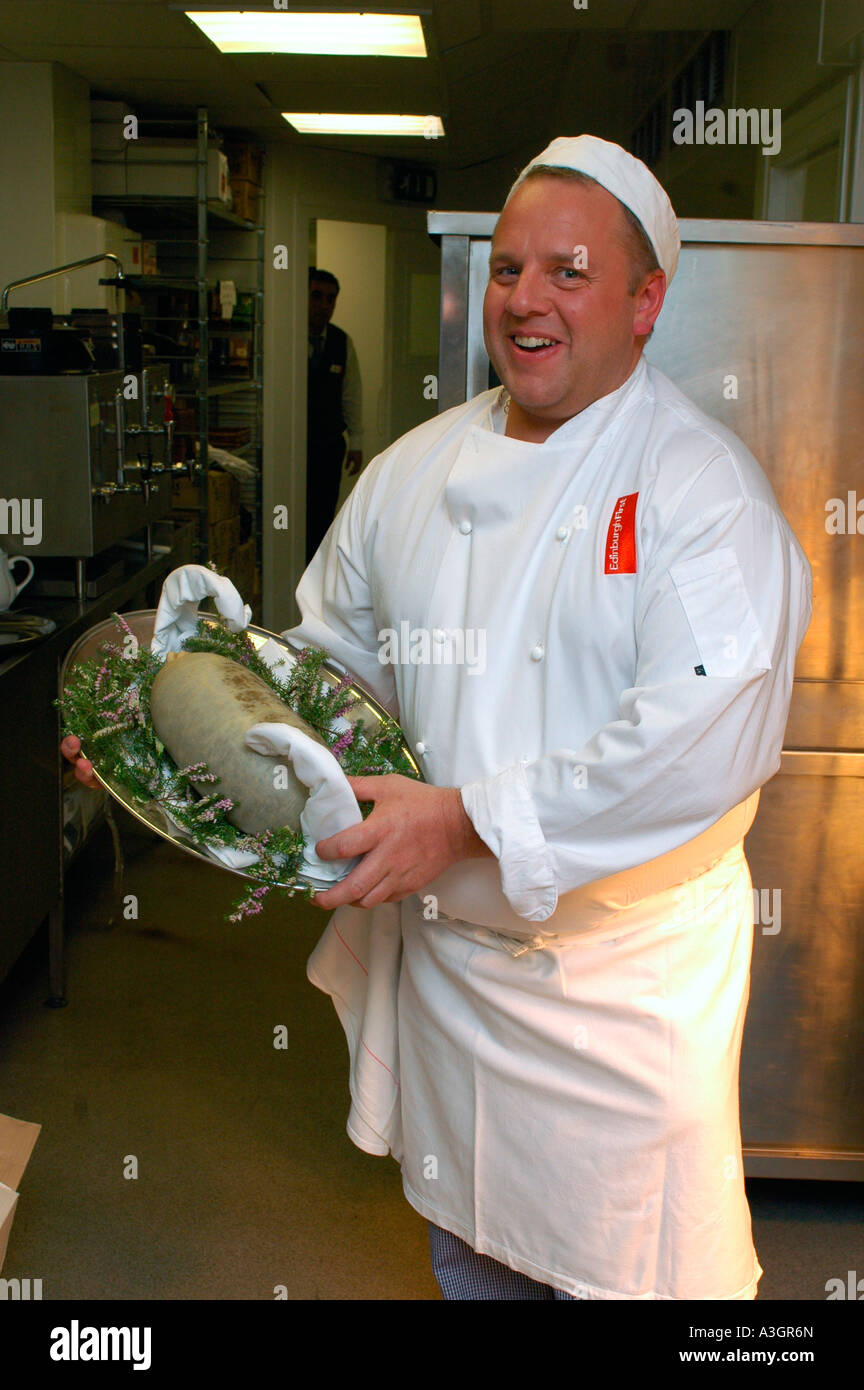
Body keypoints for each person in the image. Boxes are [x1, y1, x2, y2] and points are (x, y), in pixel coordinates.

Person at [65, 134, 812, 1301]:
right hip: (449, 971)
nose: (526, 301)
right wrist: (167, 734)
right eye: (511, 269)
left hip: (616, 993)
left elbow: (696, 743)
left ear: (647, 298)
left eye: (569, 272)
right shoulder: (410, 473)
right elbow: (328, 677)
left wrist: (462, 823)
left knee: (633, 1274)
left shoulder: (702, 496)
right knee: (466, 1250)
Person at [306, 268, 363, 563]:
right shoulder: (286, 339)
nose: (324, 306)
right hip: (293, 447)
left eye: (330, 299)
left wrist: (356, 441)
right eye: (316, 296)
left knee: (322, 516)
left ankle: (315, 578)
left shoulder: (341, 342)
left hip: (328, 446)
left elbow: (351, 394)